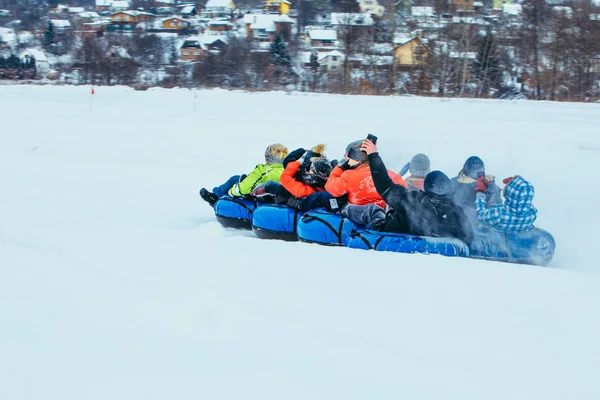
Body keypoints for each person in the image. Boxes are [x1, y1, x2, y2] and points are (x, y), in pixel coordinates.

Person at [361, 139, 472, 243]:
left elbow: (384, 185)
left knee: (372, 210)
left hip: (393, 236)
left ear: (427, 186)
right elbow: (468, 236)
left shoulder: (413, 200)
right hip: (432, 241)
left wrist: (372, 155)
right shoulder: (456, 211)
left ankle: (344, 211)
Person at [324, 139, 405, 229]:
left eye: (350, 159)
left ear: (358, 160)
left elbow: (330, 187)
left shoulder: (349, 176)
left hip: (361, 213)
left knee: (342, 205)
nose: (348, 162)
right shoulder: (388, 174)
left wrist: (339, 168)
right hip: (385, 211)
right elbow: (402, 189)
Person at [199, 143, 288, 207]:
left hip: (257, 196)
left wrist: (232, 191)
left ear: (268, 158)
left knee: (235, 179)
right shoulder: (288, 170)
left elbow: (244, 188)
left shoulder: (263, 171)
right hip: (277, 197)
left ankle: (215, 197)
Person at [448, 156, 501, 226]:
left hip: (460, 225)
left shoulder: (453, 183)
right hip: (478, 226)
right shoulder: (492, 187)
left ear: (464, 169)